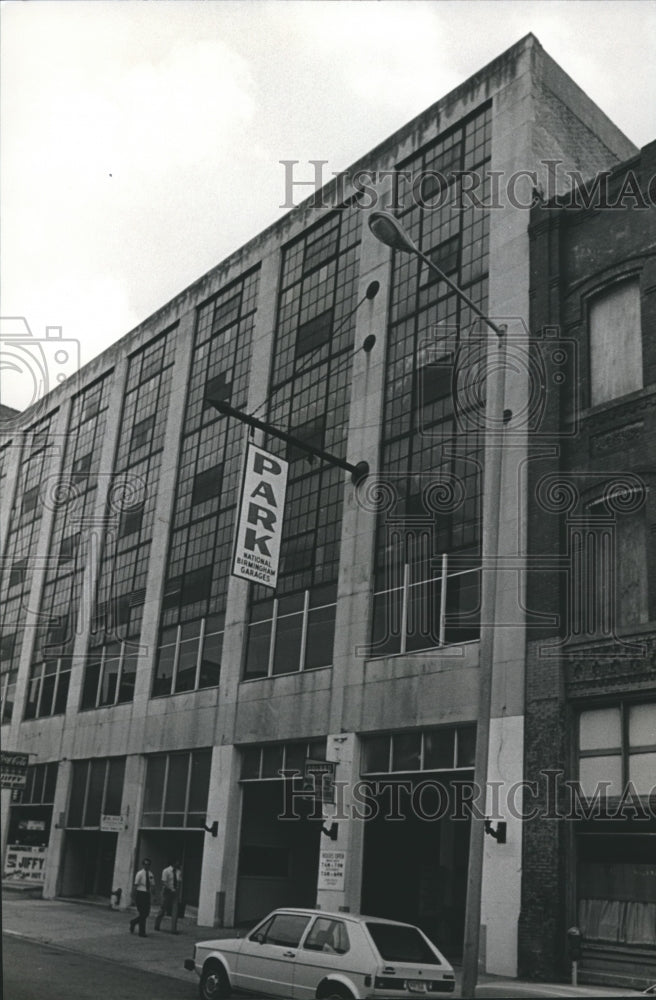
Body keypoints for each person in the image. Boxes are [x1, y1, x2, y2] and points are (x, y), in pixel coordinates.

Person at [154, 858, 182, 934]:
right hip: (166, 892)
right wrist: (170, 889)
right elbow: (164, 882)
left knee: (175, 911)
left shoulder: (179, 872)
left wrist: (177, 892)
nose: (178, 863)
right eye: (177, 862)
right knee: (163, 909)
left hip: (174, 893)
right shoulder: (166, 871)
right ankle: (157, 925)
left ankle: (174, 929)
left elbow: (179, 883)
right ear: (173, 862)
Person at [129, 858, 155, 937]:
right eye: (145, 864)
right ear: (143, 865)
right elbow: (135, 885)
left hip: (147, 895)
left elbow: (153, 885)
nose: (146, 866)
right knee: (142, 913)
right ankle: (142, 932)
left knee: (146, 913)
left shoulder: (151, 874)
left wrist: (154, 895)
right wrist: (133, 896)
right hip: (140, 894)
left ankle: (133, 922)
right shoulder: (139, 874)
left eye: (148, 864)